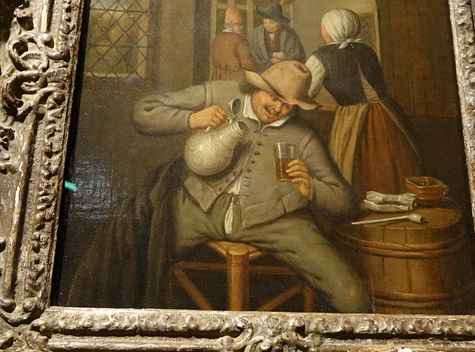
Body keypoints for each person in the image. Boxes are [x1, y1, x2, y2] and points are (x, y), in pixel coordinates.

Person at [131, 60, 371, 313]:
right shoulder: (219, 94)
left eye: (288, 104)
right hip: (198, 209)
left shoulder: (303, 136)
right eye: (274, 97)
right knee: (135, 255)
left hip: (273, 221)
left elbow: (346, 204)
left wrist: (312, 188)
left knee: (352, 295)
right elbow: (143, 112)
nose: (278, 108)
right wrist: (191, 118)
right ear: (257, 87)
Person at [305, 8, 422, 197]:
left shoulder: (321, 56)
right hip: (387, 113)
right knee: (392, 163)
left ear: (333, 29)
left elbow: (306, 92)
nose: (321, 31)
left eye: (323, 27)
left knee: (354, 165)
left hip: (353, 117)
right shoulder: (367, 50)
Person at [247, 2, 305, 71]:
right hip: (262, 71)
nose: (268, 25)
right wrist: (271, 57)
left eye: (272, 23)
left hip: (284, 70)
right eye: (265, 22)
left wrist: (284, 59)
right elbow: (252, 55)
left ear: (279, 22)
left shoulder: (290, 34)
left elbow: (297, 55)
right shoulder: (254, 35)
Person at [209, 7, 256, 83]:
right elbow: (248, 65)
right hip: (236, 81)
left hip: (217, 79)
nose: (241, 27)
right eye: (239, 25)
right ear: (231, 24)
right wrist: (256, 64)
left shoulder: (217, 39)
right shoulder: (240, 41)